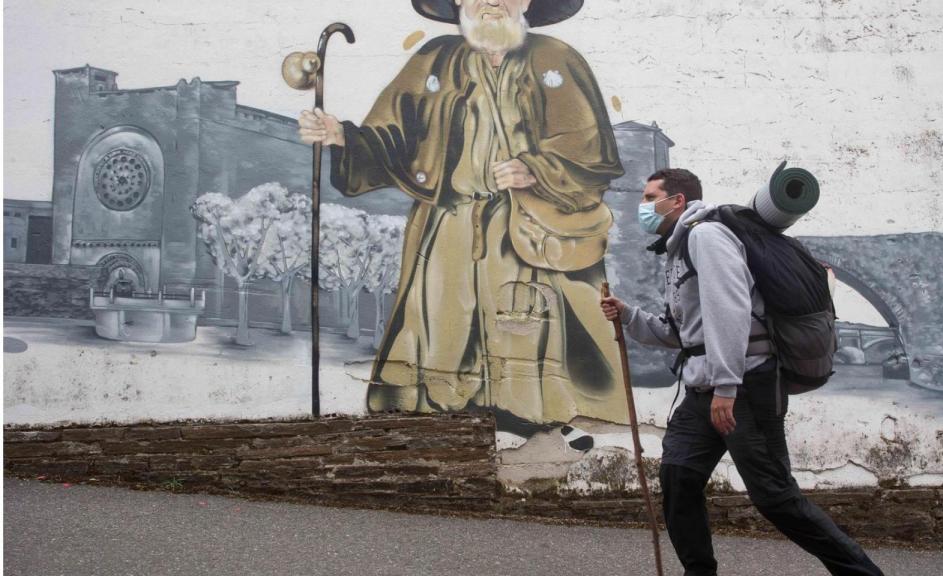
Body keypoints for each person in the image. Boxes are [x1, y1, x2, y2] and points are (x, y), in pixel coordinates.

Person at [298, 0, 629, 431]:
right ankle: (439, 428)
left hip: (531, 227)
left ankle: (540, 426)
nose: (491, 2)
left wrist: (537, 170)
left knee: (527, 330)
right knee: (440, 325)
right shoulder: (433, 59)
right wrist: (342, 136)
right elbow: (393, 137)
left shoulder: (558, 60)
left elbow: (592, 153)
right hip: (447, 226)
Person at [601, 168, 884, 576]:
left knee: (775, 498)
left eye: (649, 197)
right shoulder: (678, 248)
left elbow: (730, 312)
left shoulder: (706, 237)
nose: (642, 206)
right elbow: (683, 334)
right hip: (704, 388)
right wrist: (628, 316)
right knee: (679, 478)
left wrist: (727, 387)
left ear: (677, 201)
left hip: (744, 387)